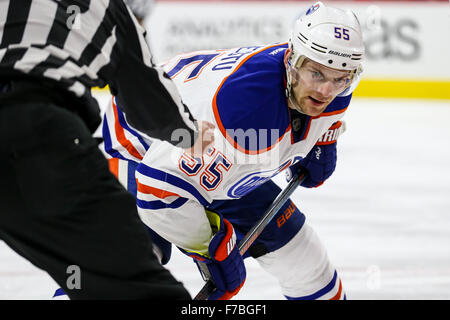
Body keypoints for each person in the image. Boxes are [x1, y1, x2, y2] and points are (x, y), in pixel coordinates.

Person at [101, 1, 364, 300]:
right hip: (142, 146)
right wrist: (209, 248)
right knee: (121, 272)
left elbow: (328, 97)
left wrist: (324, 138)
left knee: (304, 261)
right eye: (317, 74)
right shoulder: (243, 116)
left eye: (341, 79)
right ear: (292, 59)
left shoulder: (329, 72)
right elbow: (156, 189)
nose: (326, 92)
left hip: (219, 159)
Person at [0, 0, 213, 299]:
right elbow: (147, 98)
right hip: (36, 131)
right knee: (141, 289)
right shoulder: (106, 6)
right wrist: (190, 134)